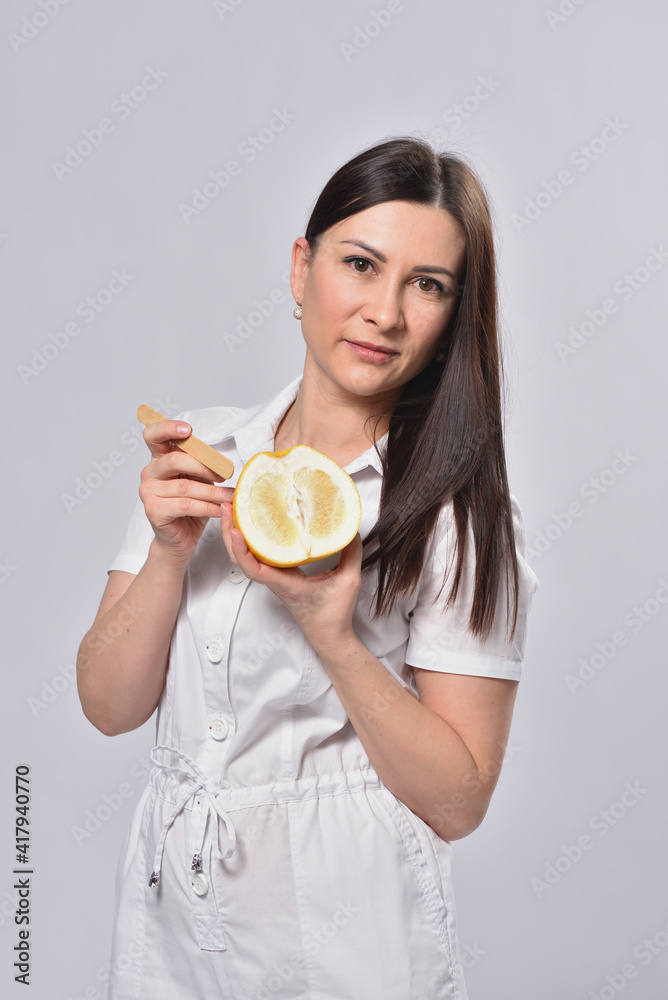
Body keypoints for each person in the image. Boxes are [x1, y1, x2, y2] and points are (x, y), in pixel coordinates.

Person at [76, 135, 539, 999]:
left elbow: (459, 801)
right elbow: (107, 706)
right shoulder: (206, 454)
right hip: (176, 918)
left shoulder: (459, 518)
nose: (386, 313)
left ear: (450, 320)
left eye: (427, 285)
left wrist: (334, 633)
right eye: (361, 264)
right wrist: (171, 555)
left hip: (346, 927)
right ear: (301, 268)